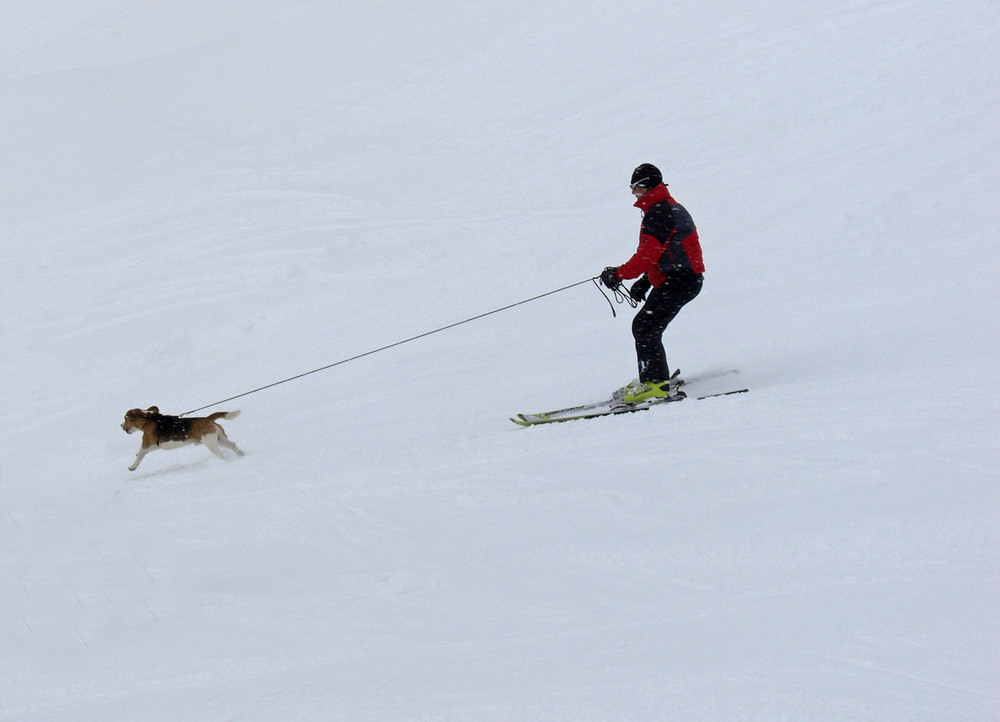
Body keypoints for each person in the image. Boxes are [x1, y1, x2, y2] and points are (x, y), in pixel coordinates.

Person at [600, 163, 704, 404]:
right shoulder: (665, 208)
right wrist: (645, 282)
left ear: (647, 186)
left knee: (645, 326)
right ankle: (653, 378)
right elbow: (666, 253)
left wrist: (618, 275)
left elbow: (647, 254)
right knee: (647, 325)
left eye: (636, 189)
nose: (634, 194)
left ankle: (655, 383)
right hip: (681, 278)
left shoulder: (659, 212)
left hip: (681, 280)